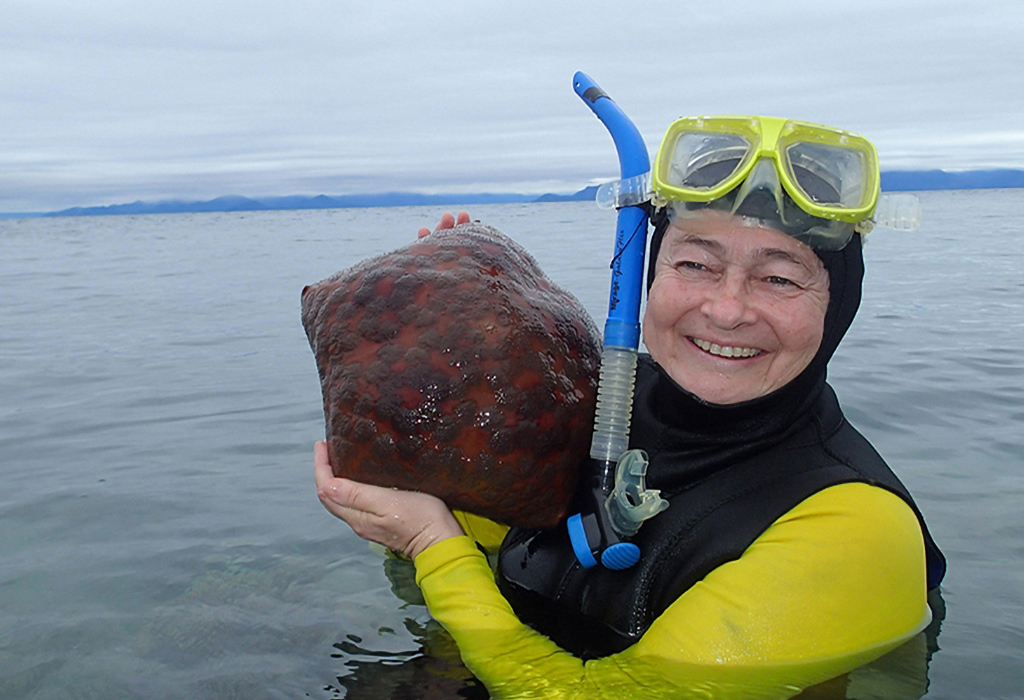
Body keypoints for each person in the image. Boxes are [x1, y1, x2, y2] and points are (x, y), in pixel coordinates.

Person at [314, 115, 945, 699]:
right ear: (648, 275)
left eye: (779, 278)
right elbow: (470, 531)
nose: (726, 310)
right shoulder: (596, 398)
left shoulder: (856, 528)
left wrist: (431, 544)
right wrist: (443, 355)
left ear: (838, 305)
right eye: (695, 264)